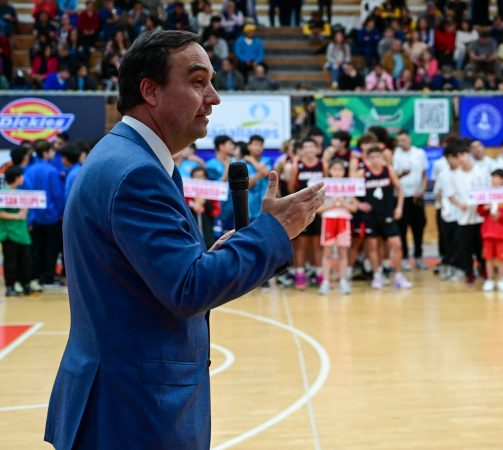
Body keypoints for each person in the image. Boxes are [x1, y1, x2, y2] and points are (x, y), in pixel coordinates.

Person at [44, 30, 324, 450]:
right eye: (197, 81)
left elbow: (157, 275)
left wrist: (224, 253)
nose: (213, 97)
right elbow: (188, 288)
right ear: (150, 91)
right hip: (132, 412)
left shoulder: (129, 157)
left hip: (121, 400)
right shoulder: (136, 173)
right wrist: (274, 232)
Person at [359, 145, 412, 289]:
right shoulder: (362, 173)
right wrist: (358, 204)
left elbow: (400, 189)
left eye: (378, 157)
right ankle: (377, 275)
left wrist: (399, 207)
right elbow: (350, 191)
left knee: (397, 245)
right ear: (367, 160)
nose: (375, 160)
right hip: (370, 216)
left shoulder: (388, 170)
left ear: (382, 158)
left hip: (387, 214)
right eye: (372, 158)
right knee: (372, 246)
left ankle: (399, 276)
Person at [447, 142, 490, 287]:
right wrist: (460, 204)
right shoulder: (455, 176)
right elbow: (450, 196)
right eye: (458, 156)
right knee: (465, 248)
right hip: (464, 218)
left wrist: (484, 205)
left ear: (469, 155)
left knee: (480, 246)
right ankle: (469, 273)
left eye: (463, 154)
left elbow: (488, 191)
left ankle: (483, 269)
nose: (461, 158)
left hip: (480, 216)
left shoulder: (481, 171)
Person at [26, 139, 65, 291]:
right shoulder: (52, 171)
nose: (53, 153)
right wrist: (60, 212)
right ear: (45, 152)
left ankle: (36, 274)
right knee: (51, 248)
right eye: (51, 151)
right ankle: (48, 275)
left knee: (36, 247)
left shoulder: (29, 170)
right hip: (51, 216)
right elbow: (58, 195)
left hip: (34, 216)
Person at [287, 138, 325, 289]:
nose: (309, 149)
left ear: (317, 149)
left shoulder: (323, 165)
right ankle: (300, 274)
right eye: (306, 147)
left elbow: (328, 183)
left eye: (312, 146)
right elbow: (291, 188)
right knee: (301, 244)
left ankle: (319, 273)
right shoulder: (296, 166)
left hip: (320, 209)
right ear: (302, 150)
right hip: (302, 209)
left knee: (317, 244)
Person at [318, 159, 357, 295]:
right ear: (329, 171)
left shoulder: (348, 187)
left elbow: (354, 207)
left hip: (343, 221)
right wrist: (333, 205)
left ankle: (343, 281)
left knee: (342, 253)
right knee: (327, 253)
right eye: (335, 169)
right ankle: (325, 281)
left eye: (340, 170)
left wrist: (343, 204)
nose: (337, 172)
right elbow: (318, 209)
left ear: (343, 171)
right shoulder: (324, 187)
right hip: (328, 220)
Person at [477, 169, 503, 292]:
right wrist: (485, 208)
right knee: (488, 257)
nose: (493, 180)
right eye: (492, 177)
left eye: (496, 178)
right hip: (488, 231)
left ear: (502, 179)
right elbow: (479, 211)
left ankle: (501, 279)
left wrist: (501, 214)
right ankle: (489, 280)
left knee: (502, 258)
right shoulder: (486, 194)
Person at [392, 130, 428, 271]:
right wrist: (401, 174)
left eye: (404, 140)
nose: (402, 143)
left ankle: (419, 256)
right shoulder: (396, 154)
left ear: (409, 139)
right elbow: (393, 176)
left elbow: (424, 174)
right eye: (399, 141)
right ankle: (405, 257)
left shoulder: (419, 153)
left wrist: (422, 190)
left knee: (419, 227)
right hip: (401, 197)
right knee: (402, 228)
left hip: (416, 196)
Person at [0, 166, 33, 297]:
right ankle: (10, 286)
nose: (23, 178)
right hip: (9, 233)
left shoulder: (21, 194)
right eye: (21, 176)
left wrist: (24, 213)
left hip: (22, 233)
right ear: (16, 178)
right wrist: (17, 216)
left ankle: (25, 284)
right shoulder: (3, 194)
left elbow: (25, 212)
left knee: (25, 261)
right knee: (10, 262)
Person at [433, 143, 461, 280]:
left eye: (458, 157)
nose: (456, 160)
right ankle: (448, 265)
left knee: (459, 241)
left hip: (462, 213)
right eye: (452, 157)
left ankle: (456, 266)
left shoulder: (463, 173)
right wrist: (441, 206)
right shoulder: (443, 174)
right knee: (447, 240)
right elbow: (438, 192)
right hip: (446, 212)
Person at [185, 166, 221, 250]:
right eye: (196, 176)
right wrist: (193, 207)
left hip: (208, 232)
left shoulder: (212, 195)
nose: (199, 179)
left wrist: (205, 202)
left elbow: (215, 212)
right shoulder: (186, 194)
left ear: (206, 178)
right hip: (192, 233)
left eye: (201, 176)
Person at [243, 134, 271, 223]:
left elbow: (266, 173)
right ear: (249, 146)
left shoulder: (267, 160)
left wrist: (252, 160)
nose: (258, 147)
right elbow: (245, 186)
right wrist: (260, 173)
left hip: (265, 205)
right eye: (256, 144)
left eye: (261, 145)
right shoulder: (242, 164)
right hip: (249, 207)